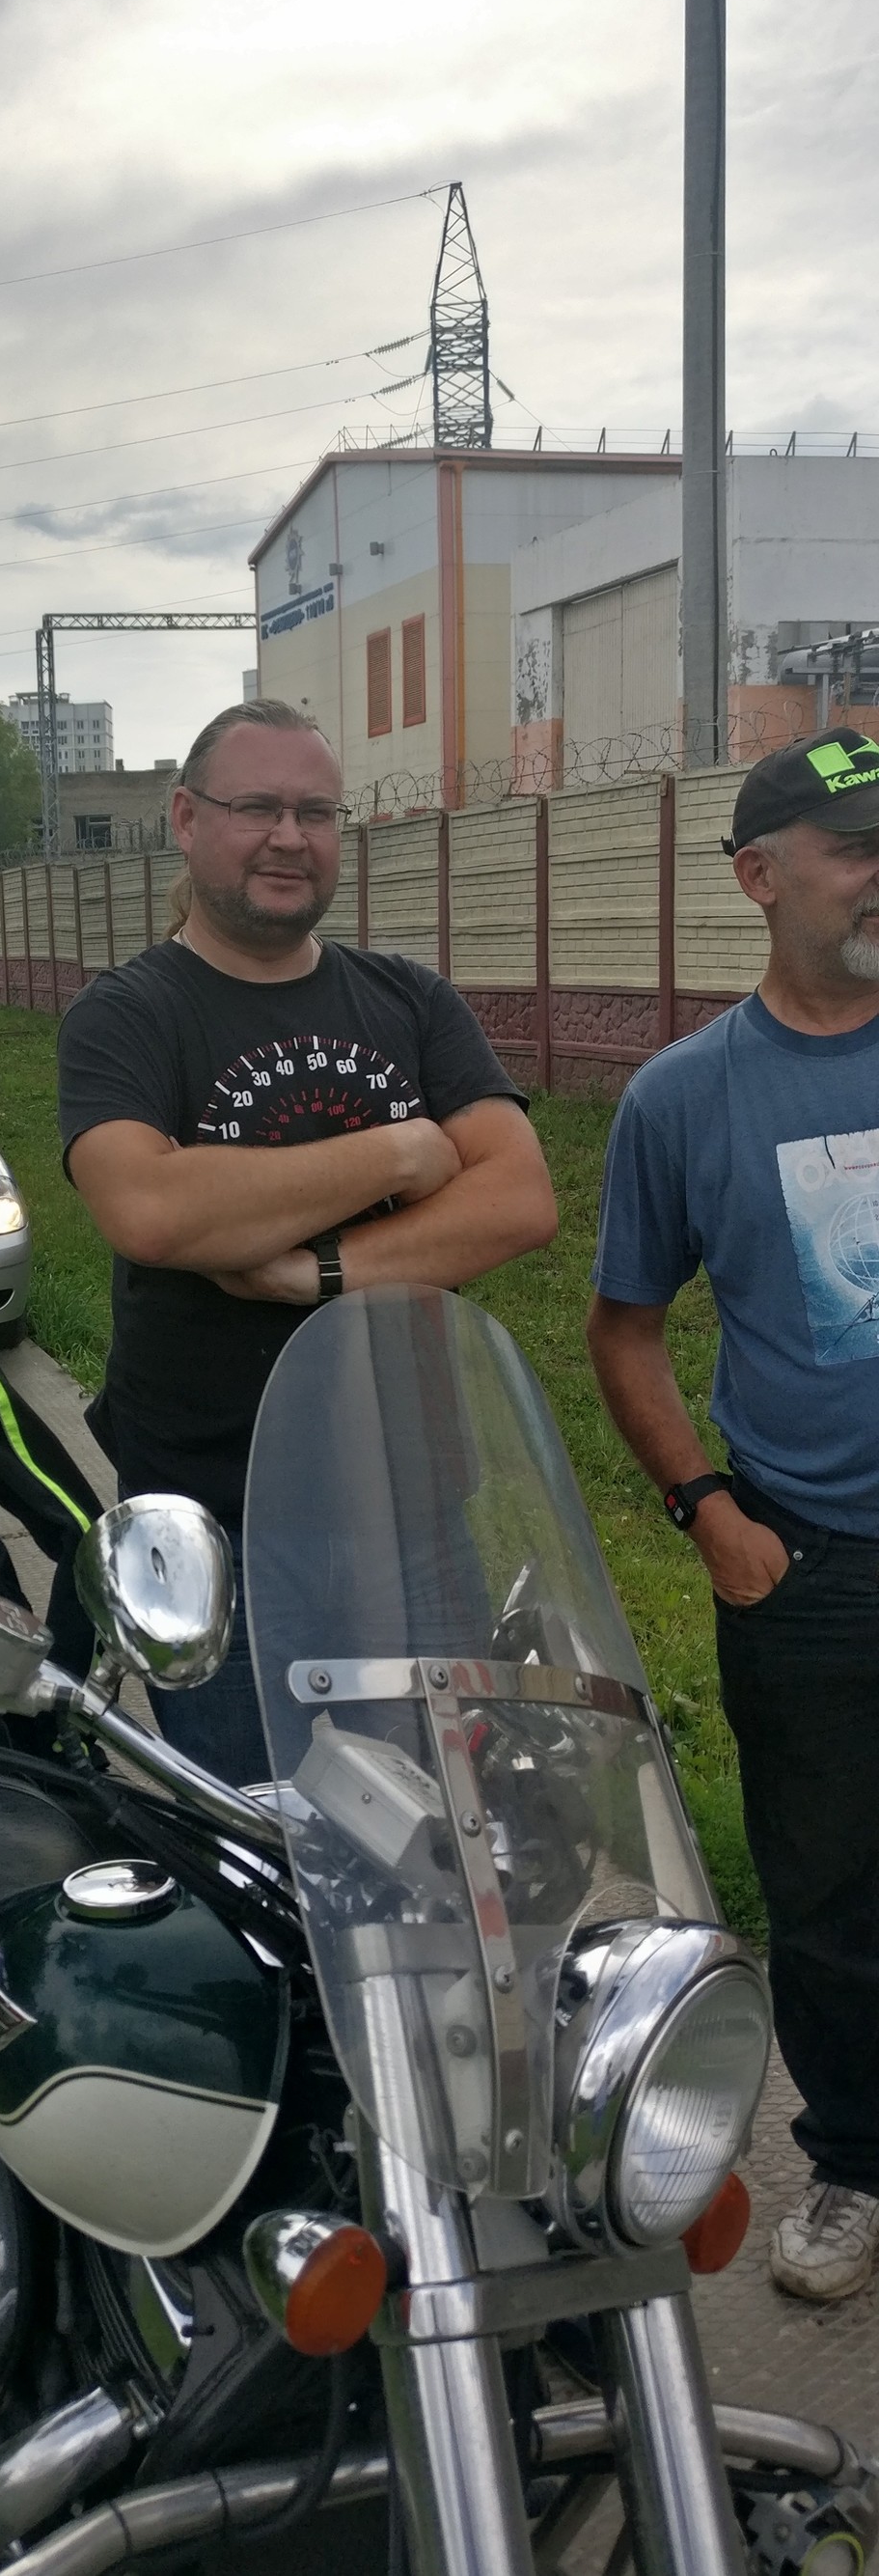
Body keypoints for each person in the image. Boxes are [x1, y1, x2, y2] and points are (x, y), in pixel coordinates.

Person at [57, 697, 557, 1782]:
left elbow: (517, 1198)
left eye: (316, 813)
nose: (290, 837)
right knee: (252, 1829)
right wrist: (397, 1154)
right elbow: (148, 1209)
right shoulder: (130, 1015)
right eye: (258, 808)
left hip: (409, 1505)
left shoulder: (409, 1001)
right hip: (213, 1517)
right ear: (187, 821)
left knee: (440, 1824)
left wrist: (314, 1270)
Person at [588, 726, 879, 2304]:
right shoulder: (683, 1098)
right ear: (762, 877)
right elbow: (623, 1326)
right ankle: (854, 2155)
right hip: (809, 1557)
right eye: (856, 841)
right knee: (829, 1888)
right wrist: (706, 1509)